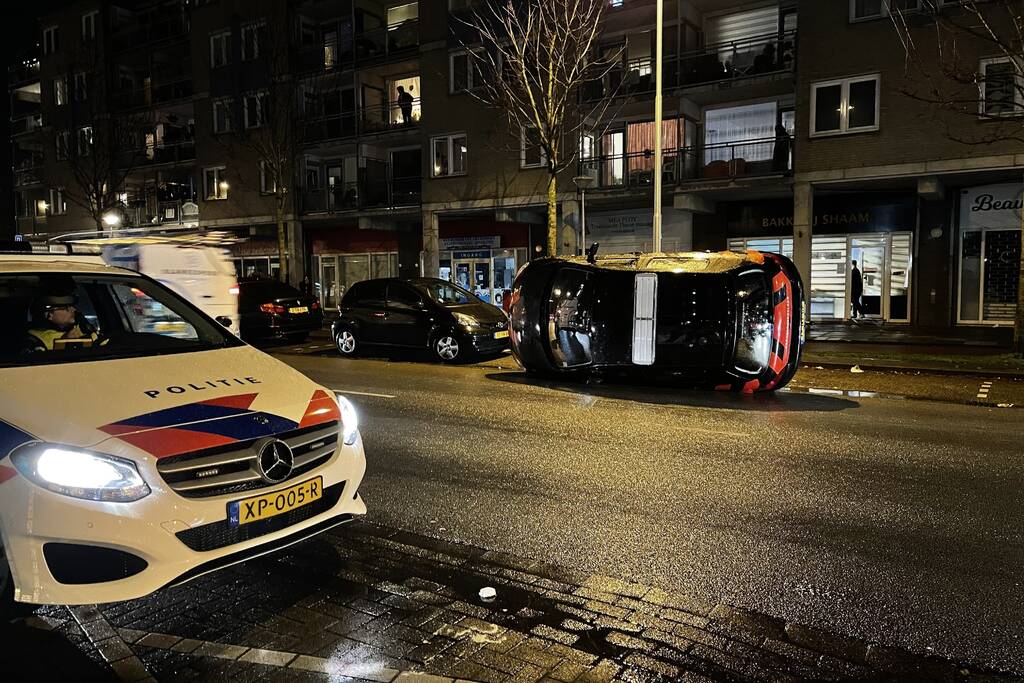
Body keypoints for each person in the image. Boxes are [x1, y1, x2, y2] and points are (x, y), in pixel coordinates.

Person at [24, 278, 102, 352]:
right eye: (66, 307)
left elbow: (102, 344)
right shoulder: (36, 339)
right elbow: (38, 360)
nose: (73, 310)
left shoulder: (82, 327)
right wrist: (65, 343)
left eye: (72, 306)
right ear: (49, 315)